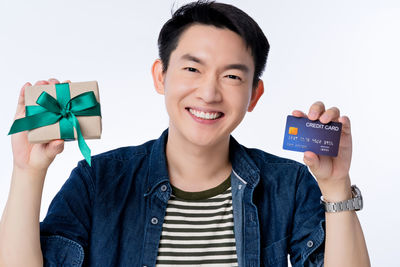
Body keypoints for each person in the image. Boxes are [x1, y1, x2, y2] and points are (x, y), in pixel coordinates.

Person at [0, 1, 370, 266]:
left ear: (254, 95)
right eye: (193, 69)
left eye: (232, 76)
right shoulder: (98, 180)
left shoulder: (288, 184)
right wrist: (28, 171)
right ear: (161, 76)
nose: (209, 93)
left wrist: (336, 185)